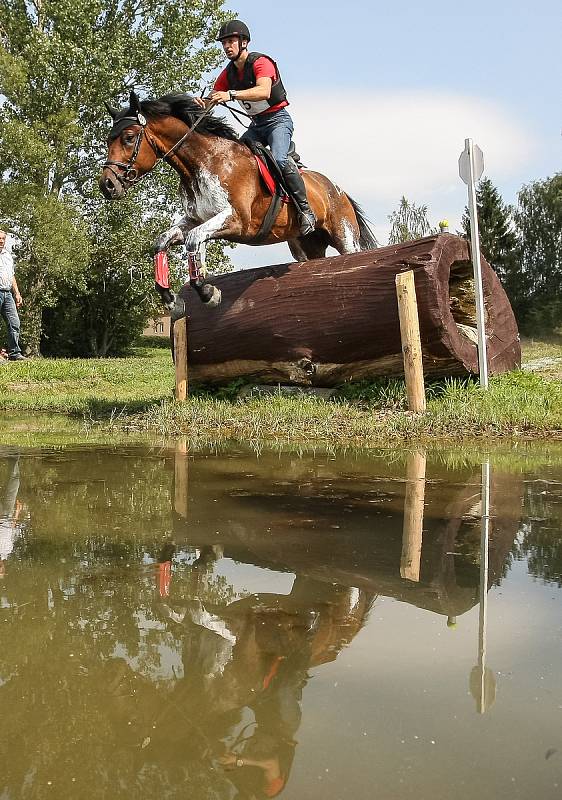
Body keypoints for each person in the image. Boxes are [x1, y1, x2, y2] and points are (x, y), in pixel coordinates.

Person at [196, 20, 316, 236]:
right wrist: (202, 103)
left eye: (230, 41)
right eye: (224, 43)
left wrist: (230, 95)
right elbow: (215, 98)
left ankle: (306, 211)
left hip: (278, 121)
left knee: (279, 160)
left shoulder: (261, 63)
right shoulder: (228, 73)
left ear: (244, 42)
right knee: (236, 159)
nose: (226, 47)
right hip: (256, 126)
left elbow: (263, 91)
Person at [0, 230, 25, 361]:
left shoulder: (7, 255)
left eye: (3, 239)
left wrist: (17, 293)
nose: (1, 241)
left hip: (7, 293)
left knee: (14, 322)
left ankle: (15, 353)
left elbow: (11, 275)